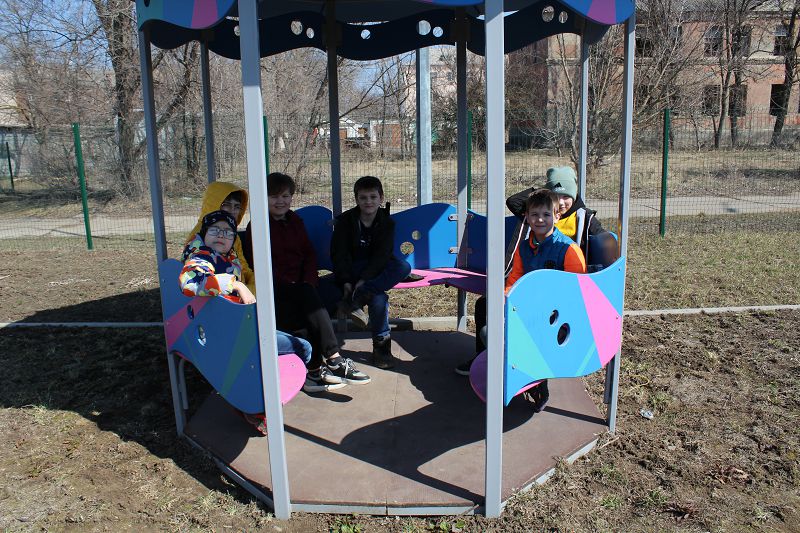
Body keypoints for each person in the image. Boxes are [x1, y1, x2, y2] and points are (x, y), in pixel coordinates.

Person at [180, 210, 320, 435]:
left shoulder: (228, 258)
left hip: (236, 328)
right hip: (226, 333)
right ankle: (256, 402)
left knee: (292, 345)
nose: (221, 235)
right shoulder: (202, 257)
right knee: (303, 348)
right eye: (215, 230)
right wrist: (236, 285)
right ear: (204, 234)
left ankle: (254, 400)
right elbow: (190, 281)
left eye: (228, 232)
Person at [455, 189, 587, 412]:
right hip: (529, 306)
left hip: (556, 314)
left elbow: (577, 292)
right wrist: (504, 301)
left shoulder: (568, 250)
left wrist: (539, 307)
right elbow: (515, 279)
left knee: (505, 335)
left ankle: (536, 382)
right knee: (485, 305)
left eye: (546, 215)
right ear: (526, 216)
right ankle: (485, 359)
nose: (540, 220)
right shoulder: (525, 247)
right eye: (534, 215)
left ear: (557, 216)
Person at [243, 172, 371, 391]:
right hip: (277, 291)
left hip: (304, 287)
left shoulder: (295, 221)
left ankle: (313, 373)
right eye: (274, 196)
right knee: (306, 304)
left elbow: (308, 254)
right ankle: (334, 357)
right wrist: (295, 286)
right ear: (264, 198)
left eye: (285, 196)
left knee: (327, 291)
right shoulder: (258, 227)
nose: (281, 201)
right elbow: (261, 266)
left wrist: (309, 281)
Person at [328, 175, 412, 369]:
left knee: (403, 267)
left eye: (373, 197)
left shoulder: (386, 222)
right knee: (379, 298)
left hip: (374, 270)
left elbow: (383, 255)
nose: (368, 202)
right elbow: (339, 254)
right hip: (352, 269)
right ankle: (382, 347)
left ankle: (357, 298)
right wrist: (347, 281)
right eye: (363, 198)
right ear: (356, 199)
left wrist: (365, 280)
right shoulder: (346, 221)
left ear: (381, 198)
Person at [505, 166, 610, 271]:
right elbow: (513, 201)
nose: (560, 202)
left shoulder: (583, 217)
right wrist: (543, 193)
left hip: (570, 266)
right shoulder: (541, 214)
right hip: (539, 264)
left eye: (566, 197)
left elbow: (603, 237)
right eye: (556, 196)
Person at [185, 181, 256, 294]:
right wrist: (237, 286)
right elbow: (193, 281)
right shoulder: (200, 237)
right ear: (213, 204)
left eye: (237, 206)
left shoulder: (231, 234)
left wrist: (254, 283)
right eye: (226, 205)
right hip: (217, 298)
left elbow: (243, 267)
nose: (232, 210)